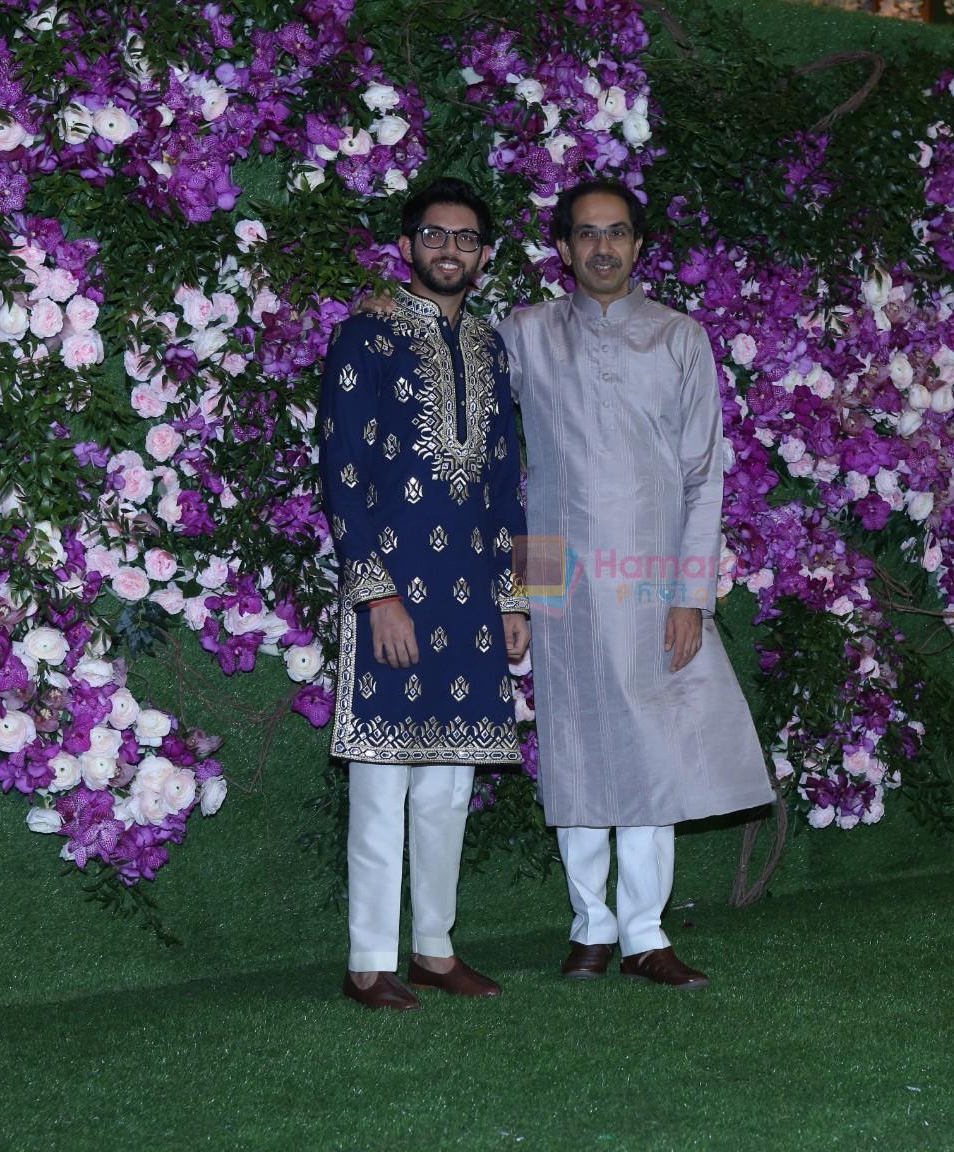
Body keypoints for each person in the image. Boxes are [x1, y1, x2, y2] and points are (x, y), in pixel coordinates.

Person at [500, 179, 775, 989]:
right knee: (576, 749)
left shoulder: (680, 337)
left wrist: (692, 593)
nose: (602, 247)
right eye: (586, 234)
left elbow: (702, 475)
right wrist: (519, 591)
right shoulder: (525, 335)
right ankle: (591, 926)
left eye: (617, 232)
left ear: (640, 246)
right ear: (562, 249)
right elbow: (502, 463)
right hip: (557, 569)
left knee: (652, 752)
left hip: (653, 578)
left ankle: (645, 932)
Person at [318, 177, 530, 1011]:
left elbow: (514, 480)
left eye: (467, 238)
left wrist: (522, 596)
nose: (451, 249)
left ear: (484, 255)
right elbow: (342, 475)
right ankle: (369, 960)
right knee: (383, 781)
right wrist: (376, 597)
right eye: (435, 236)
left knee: (448, 787)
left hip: (476, 600)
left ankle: (436, 950)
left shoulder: (490, 346)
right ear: (406, 247)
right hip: (395, 592)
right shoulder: (363, 337)